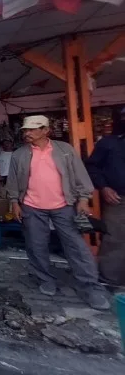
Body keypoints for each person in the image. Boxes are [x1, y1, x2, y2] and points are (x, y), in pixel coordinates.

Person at [6, 115, 110, 310]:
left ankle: (90, 287)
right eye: (25, 130)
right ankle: (45, 279)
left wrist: (83, 199)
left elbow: (80, 175)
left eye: (32, 129)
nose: (27, 133)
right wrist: (14, 202)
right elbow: (12, 182)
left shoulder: (65, 151)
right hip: (31, 205)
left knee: (76, 247)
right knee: (36, 246)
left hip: (64, 205)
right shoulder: (19, 154)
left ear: (46, 130)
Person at [85, 107, 125, 287]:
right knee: (115, 238)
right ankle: (110, 279)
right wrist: (104, 187)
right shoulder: (108, 143)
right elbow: (92, 167)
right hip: (118, 199)